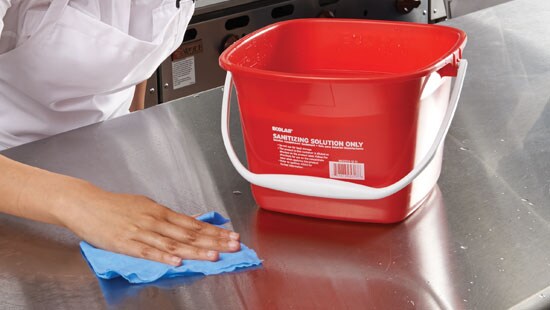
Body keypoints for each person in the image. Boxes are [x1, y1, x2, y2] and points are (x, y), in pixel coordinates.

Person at [0, 0, 241, 266]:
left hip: (108, 157)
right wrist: (80, 204)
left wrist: (135, 125)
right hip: (13, 177)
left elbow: (135, 42)